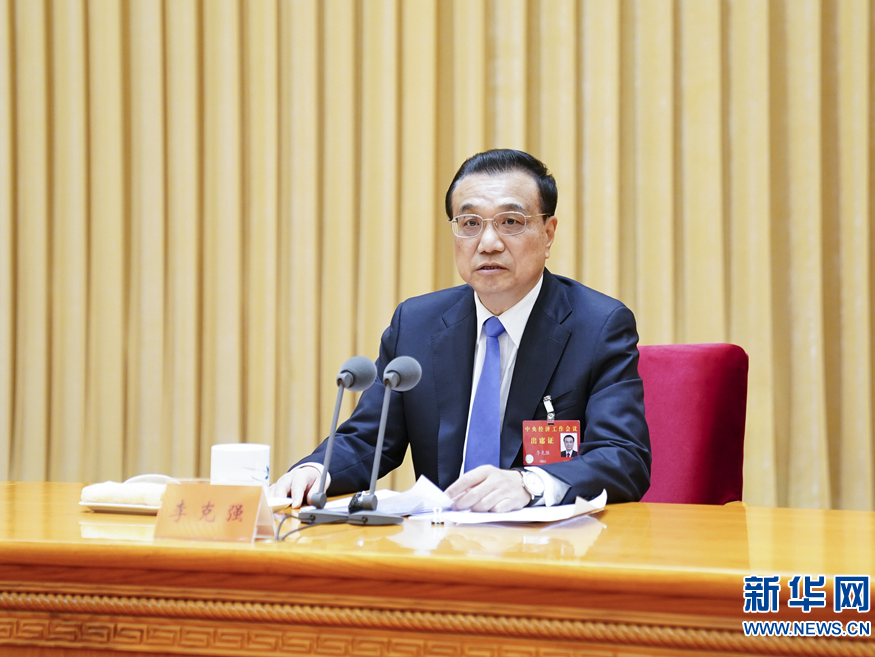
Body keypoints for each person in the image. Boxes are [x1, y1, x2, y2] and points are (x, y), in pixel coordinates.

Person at [272, 149, 651, 512]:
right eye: (470, 224)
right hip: (441, 539)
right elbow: (369, 439)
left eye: (511, 222)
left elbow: (623, 456)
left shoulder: (597, 326)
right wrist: (315, 470)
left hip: (547, 543)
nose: (488, 243)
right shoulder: (416, 324)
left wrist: (529, 484)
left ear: (548, 233)